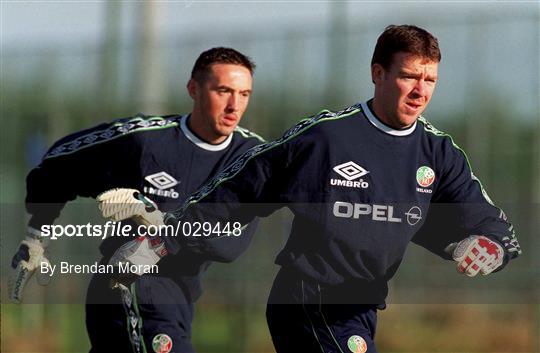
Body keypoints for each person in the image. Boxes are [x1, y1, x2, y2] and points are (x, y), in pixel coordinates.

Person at [99, 25, 522, 353]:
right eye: (410, 76)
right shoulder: (327, 139)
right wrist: (160, 241)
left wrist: (491, 247)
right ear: (378, 74)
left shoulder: (438, 153)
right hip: (307, 300)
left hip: (361, 307)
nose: (420, 91)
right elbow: (240, 189)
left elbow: (488, 223)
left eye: (430, 80)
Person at [9, 47, 264, 353]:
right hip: (131, 284)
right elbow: (59, 163)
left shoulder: (252, 158)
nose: (234, 105)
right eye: (223, 91)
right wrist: (37, 234)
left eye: (244, 94)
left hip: (179, 296)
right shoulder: (145, 141)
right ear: (193, 89)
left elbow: (230, 241)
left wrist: (159, 225)